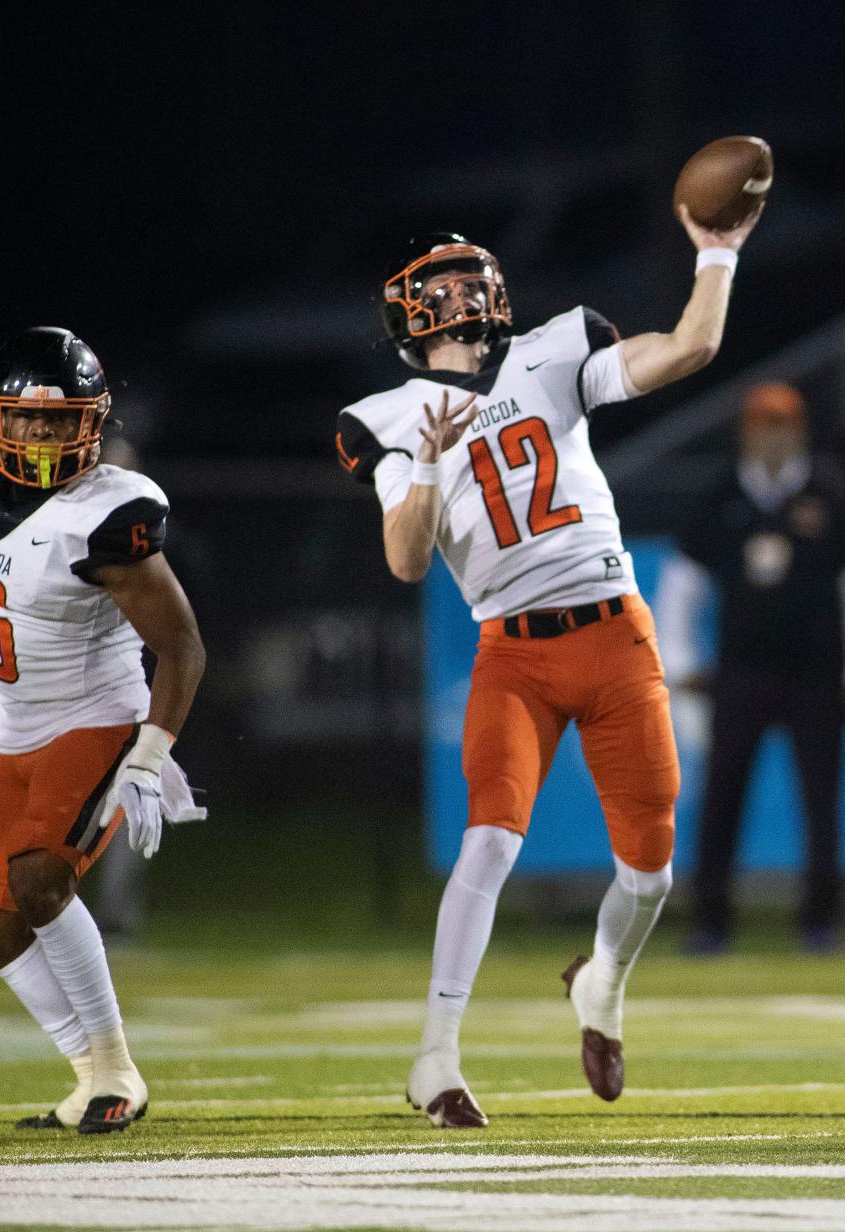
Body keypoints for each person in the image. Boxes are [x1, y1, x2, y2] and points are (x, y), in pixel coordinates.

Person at [336, 209, 762, 1127]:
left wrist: (718, 249)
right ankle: (435, 1061)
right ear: (409, 315)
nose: (457, 300)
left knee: (651, 875)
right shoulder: (386, 420)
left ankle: (601, 984)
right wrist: (423, 468)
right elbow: (407, 561)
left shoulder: (550, 352)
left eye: (465, 283)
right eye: (438, 288)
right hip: (514, 650)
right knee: (488, 842)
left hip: (616, 632)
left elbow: (691, 347)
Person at [0, 326, 206, 1133]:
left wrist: (150, 753)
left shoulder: (107, 515)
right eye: (31, 419)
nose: (48, 436)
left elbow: (182, 648)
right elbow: (13, 596)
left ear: (93, 423)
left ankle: (117, 1071)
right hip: (19, 720)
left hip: (97, 714)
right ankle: (90, 1074)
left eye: (66, 421)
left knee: (37, 878)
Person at [654, 381, 845, 955]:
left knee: (823, 800)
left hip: (816, 674)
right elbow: (684, 583)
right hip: (740, 672)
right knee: (722, 796)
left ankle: (820, 921)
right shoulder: (718, 496)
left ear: (800, 431)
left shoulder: (831, 494)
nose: (773, 438)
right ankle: (710, 921)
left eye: (783, 426)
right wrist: (681, 660)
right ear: (746, 432)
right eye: (763, 426)